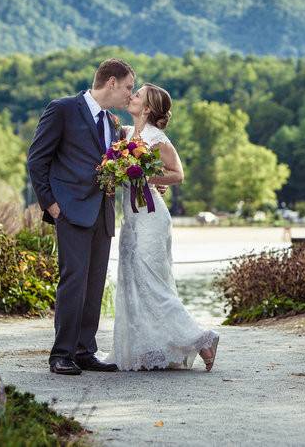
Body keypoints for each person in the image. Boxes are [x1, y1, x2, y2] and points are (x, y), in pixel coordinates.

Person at [27, 58, 133, 375]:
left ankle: (85, 350)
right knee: (73, 281)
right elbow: (36, 160)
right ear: (111, 82)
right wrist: (51, 205)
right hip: (70, 210)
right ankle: (61, 354)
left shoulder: (113, 124)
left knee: (95, 283)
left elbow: (110, 168)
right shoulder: (62, 109)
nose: (131, 93)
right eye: (129, 87)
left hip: (102, 212)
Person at [107, 83, 220, 372]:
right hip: (131, 219)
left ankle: (201, 339)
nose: (131, 97)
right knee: (133, 283)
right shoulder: (126, 134)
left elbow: (178, 174)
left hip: (152, 218)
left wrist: (147, 176)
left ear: (146, 108)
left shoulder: (158, 139)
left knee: (153, 285)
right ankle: (146, 351)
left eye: (137, 95)